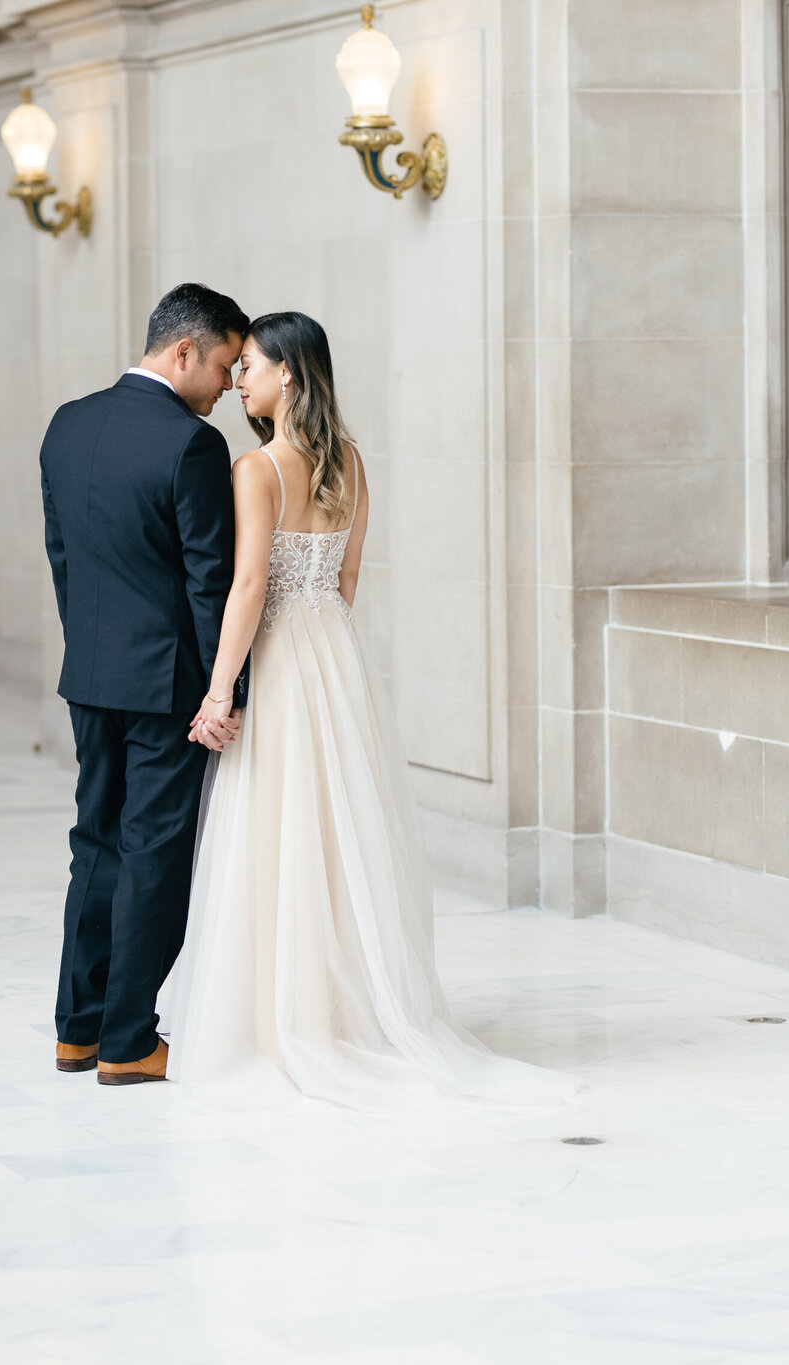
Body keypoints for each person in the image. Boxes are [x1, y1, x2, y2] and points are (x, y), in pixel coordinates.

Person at [167, 311, 576, 1108]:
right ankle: (346, 1008)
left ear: (288, 372)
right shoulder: (348, 460)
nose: (238, 377)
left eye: (249, 363)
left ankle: (284, 1019)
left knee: (279, 830)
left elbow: (249, 587)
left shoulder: (257, 469)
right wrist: (321, 634)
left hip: (284, 654)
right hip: (336, 653)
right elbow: (348, 576)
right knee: (337, 828)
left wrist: (221, 690)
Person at [40, 283, 250, 1086]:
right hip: (168, 686)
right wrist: (220, 692)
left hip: (91, 674)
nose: (230, 387)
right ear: (184, 351)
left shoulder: (69, 423)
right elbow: (209, 581)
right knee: (153, 853)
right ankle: (130, 1038)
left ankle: (76, 1029)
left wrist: (92, 647)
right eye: (227, 365)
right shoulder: (189, 445)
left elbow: (63, 558)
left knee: (94, 844)